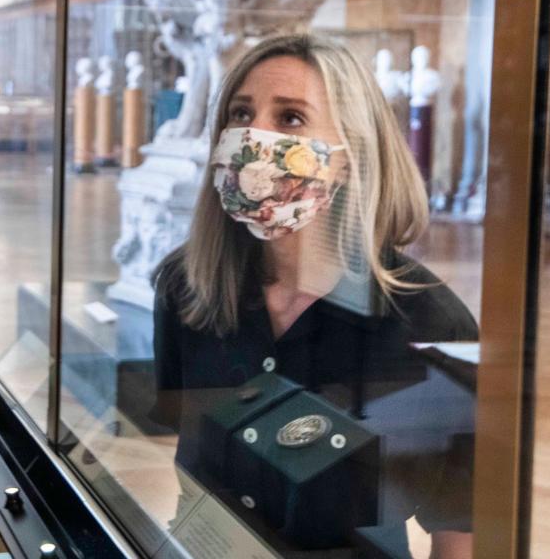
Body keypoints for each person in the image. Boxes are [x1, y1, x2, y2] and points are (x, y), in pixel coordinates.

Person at [152, 34, 477, 559]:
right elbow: (185, 454)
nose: (254, 136)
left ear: (348, 156)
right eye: (240, 113)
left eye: (291, 119)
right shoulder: (186, 286)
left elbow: (460, 533)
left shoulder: (430, 324)